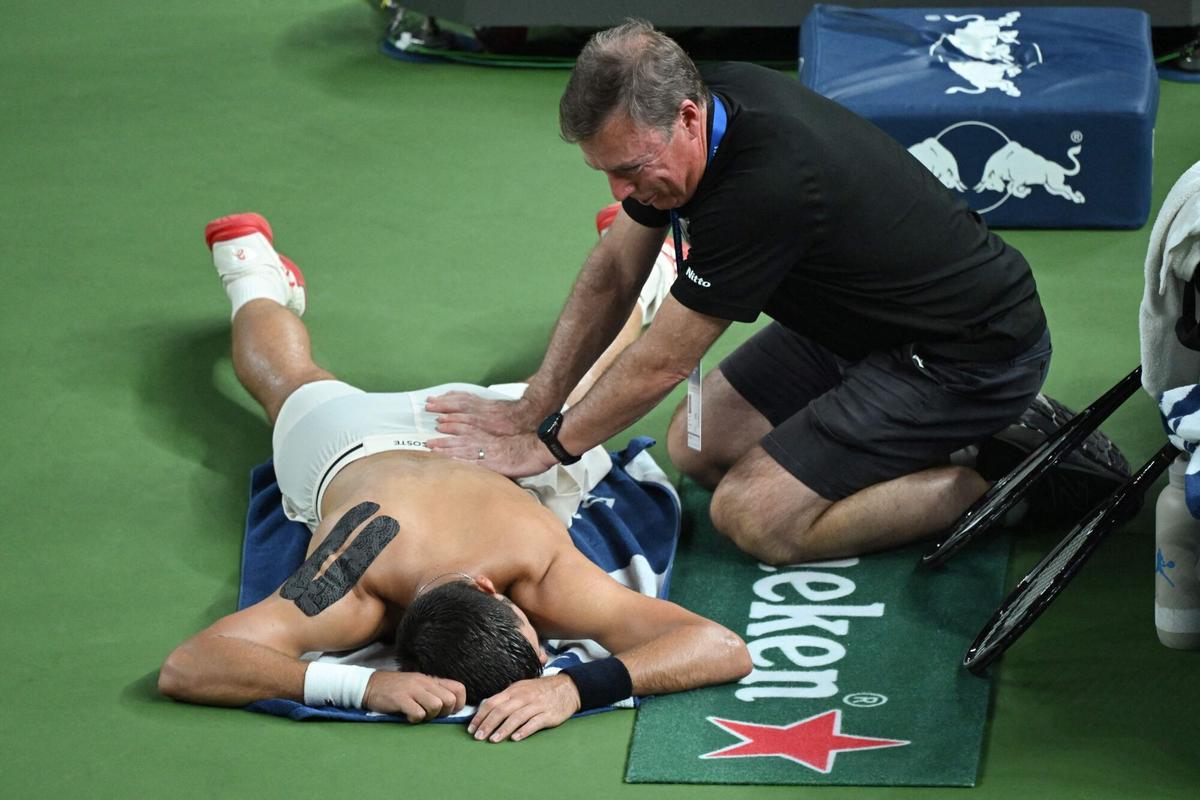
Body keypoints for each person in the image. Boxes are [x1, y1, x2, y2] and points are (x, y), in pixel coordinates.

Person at [424, 19, 1127, 565]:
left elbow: (663, 361)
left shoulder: (763, 189)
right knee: (701, 448)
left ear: (688, 119)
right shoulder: (708, 100)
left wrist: (548, 447)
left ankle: (993, 480)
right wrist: (535, 403)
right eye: (605, 172)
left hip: (961, 359)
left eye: (631, 169)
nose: (620, 191)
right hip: (855, 326)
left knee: (754, 519)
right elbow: (613, 272)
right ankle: (926, 443)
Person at [157, 212, 750, 742]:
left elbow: (195, 664)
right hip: (372, 440)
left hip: (402, 442)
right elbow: (718, 647)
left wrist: (570, 687)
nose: (545, 640)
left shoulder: (350, 589)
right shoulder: (386, 590)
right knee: (290, 381)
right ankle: (248, 265)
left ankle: (248, 268)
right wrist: (363, 686)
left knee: (290, 377)